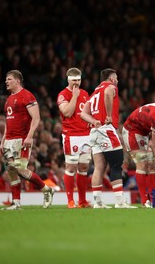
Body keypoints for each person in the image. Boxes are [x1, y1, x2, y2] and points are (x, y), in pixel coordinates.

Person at [81, 68, 136, 209]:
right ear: (111, 78)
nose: (117, 80)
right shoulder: (110, 87)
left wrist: (93, 121)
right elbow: (107, 94)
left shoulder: (94, 93)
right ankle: (119, 201)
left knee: (99, 167)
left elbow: (83, 114)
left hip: (94, 131)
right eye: (116, 78)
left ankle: (97, 202)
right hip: (106, 129)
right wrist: (109, 115)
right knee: (117, 164)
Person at [0, 70, 54, 210]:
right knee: (11, 171)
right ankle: (16, 203)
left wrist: (29, 136)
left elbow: (36, 118)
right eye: (6, 79)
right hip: (9, 141)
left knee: (20, 169)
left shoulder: (27, 96)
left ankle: (47, 189)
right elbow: (8, 122)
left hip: (22, 140)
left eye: (9, 79)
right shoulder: (8, 99)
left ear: (17, 81)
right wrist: (2, 140)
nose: (6, 81)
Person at [57, 67, 91, 208]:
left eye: (79, 80)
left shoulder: (85, 93)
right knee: (71, 167)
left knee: (84, 167)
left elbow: (88, 112)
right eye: (74, 80)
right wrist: (75, 96)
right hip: (71, 135)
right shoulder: (63, 94)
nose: (77, 83)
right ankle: (70, 201)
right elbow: (67, 112)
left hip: (86, 135)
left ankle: (82, 201)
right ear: (68, 80)